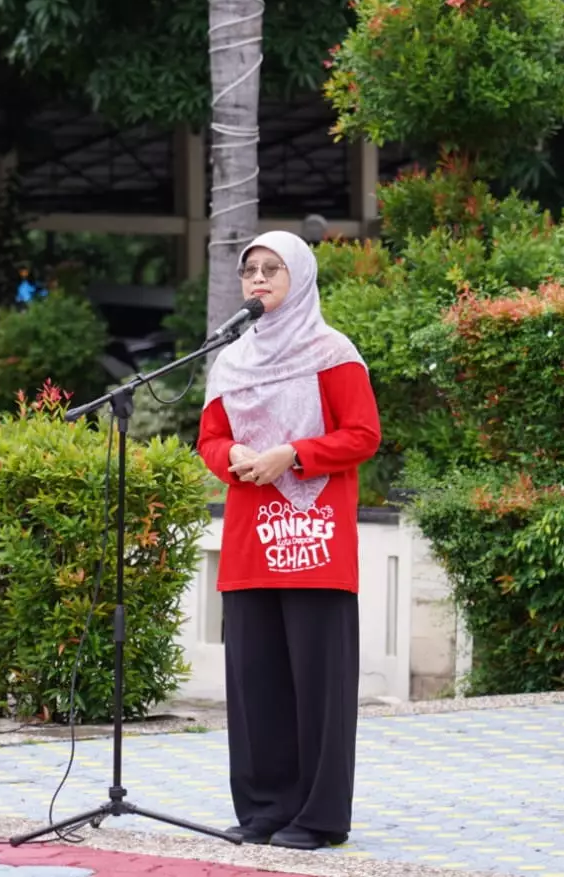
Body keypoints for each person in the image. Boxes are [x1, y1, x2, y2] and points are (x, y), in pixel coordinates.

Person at [196, 231, 382, 851]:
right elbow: (210, 440)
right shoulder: (232, 360)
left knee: (317, 686)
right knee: (255, 683)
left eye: (272, 269)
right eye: (251, 270)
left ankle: (319, 817)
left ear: (299, 276)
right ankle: (263, 810)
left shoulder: (332, 352)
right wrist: (238, 456)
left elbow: (362, 435)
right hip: (252, 538)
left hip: (316, 540)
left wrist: (293, 455)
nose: (258, 280)